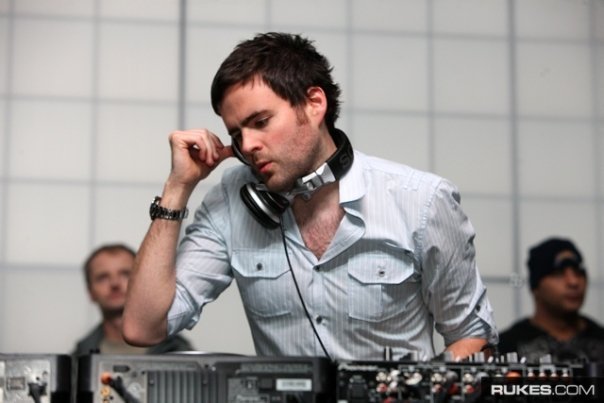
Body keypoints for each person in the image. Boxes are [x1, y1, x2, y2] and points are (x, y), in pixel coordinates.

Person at [123, 32, 497, 361]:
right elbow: (143, 328)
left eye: (260, 122)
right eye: (236, 134)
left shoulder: (423, 201)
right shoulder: (230, 201)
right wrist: (178, 187)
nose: (247, 145)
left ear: (314, 104)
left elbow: (473, 337)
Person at [73, 243, 193, 357]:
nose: (115, 283)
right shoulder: (77, 360)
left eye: (125, 274)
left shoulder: (179, 351)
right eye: (103, 277)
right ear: (90, 292)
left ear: (142, 282)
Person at [498, 237, 604, 363]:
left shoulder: (600, 339)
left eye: (579, 272)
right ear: (535, 286)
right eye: (558, 274)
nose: (574, 282)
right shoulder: (507, 346)